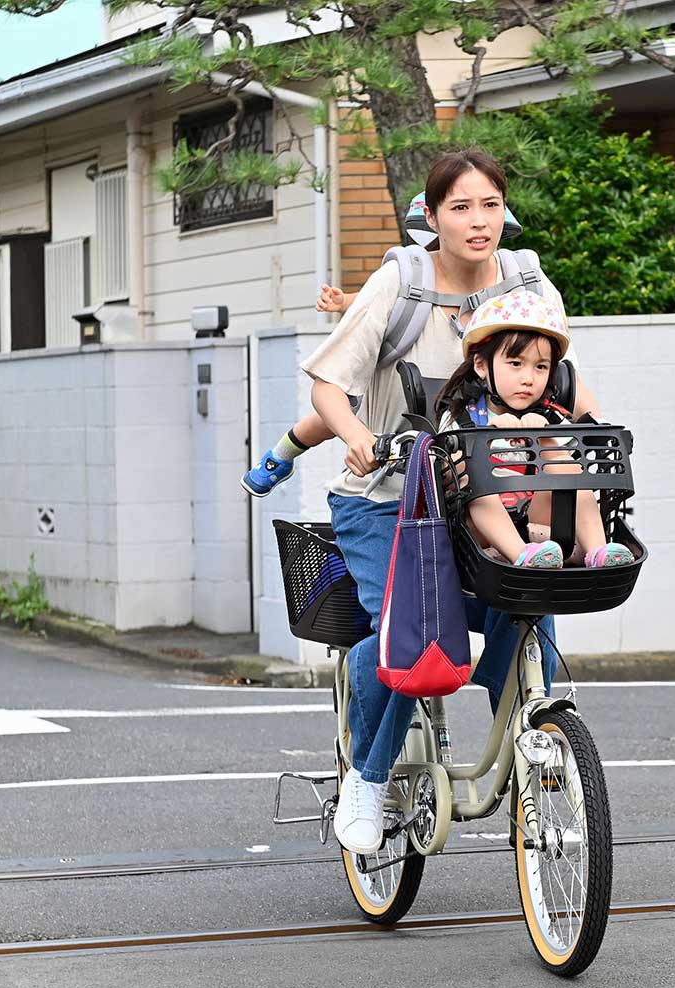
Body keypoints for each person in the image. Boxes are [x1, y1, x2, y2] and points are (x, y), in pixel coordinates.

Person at [302, 149, 593, 854]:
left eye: (490, 204)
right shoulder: (399, 284)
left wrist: (593, 432)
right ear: (430, 217)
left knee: (527, 598)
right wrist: (360, 436)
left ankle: (533, 743)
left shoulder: (527, 281)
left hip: (486, 491)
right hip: (392, 497)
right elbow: (328, 386)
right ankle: (366, 779)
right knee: (409, 629)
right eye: (460, 207)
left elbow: (563, 383)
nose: (478, 220)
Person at [242, 192, 531, 497]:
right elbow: (371, 301)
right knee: (334, 413)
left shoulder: (504, 286)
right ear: (434, 226)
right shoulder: (406, 278)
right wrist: (344, 302)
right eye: (460, 210)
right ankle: (281, 455)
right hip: (381, 390)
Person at [433, 289, 633, 569]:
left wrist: (545, 439)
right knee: (474, 485)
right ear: (481, 365)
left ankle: (598, 550)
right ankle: (521, 554)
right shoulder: (462, 418)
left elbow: (572, 470)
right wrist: (489, 440)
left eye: (540, 367)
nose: (528, 378)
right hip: (484, 540)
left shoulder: (551, 417)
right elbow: (446, 477)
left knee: (575, 480)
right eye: (515, 364)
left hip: (546, 536)